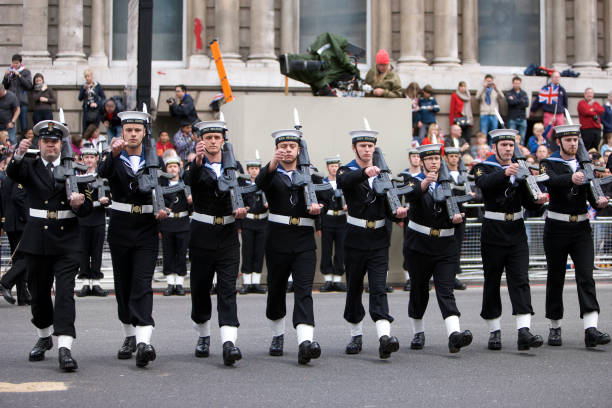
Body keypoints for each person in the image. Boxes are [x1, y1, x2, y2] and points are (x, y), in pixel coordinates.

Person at [6, 118, 93, 372]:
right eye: (46, 141)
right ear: (40, 144)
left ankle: (65, 347)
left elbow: (87, 207)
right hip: (38, 241)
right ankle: (44, 336)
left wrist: (80, 204)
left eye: (55, 142)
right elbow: (12, 174)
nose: (50, 146)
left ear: (61, 144)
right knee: (39, 293)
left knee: (65, 293)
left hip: (67, 241)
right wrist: (18, 153)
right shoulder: (29, 166)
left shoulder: (74, 169)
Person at [97, 109, 168, 368]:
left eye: (138, 130)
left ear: (144, 132)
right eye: (129, 130)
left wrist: (164, 207)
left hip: (146, 227)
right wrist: (112, 154)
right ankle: (129, 334)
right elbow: (102, 173)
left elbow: (163, 190)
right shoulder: (114, 155)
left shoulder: (154, 159)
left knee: (142, 283)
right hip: (121, 226)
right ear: (122, 132)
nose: (133, 134)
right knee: (124, 284)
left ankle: (144, 341)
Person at [255, 128, 326, 365]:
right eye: (282, 146)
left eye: (291, 146)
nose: (287, 150)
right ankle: (277, 335)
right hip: (278, 239)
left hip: (304, 240)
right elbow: (260, 182)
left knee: (304, 290)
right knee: (276, 289)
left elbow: (327, 197)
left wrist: (318, 208)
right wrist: (272, 162)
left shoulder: (311, 175)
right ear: (277, 149)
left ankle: (305, 342)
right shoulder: (272, 173)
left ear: (298, 149)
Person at [473, 128, 548, 351]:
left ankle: (523, 331)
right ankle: (494, 331)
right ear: (494, 147)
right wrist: (506, 173)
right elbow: (483, 184)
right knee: (492, 280)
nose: (508, 149)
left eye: (511, 145)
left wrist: (539, 200)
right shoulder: (483, 166)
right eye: (503, 145)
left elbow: (528, 201)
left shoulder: (520, 167)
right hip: (493, 230)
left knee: (520, 279)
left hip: (516, 229)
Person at [337, 126, 407, 359]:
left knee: (378, 288)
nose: (367, 150)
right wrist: (367, 172)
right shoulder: (346, 170)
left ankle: (384, 337)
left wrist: (397, 211)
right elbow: (344, 182)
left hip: (378, 239)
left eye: (370, 146)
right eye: (363, 146)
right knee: (354, 288)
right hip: (355, 238)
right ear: (355, 148)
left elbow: (387, 204)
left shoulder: (383, 173)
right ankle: (356, 334)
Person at [540, 124, 610, 348]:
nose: (572, 143)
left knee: (586, 276)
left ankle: (591, 328)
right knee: (556, 277)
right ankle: (555, 326)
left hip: (580, 227)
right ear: (559, 142)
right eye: (568, 140)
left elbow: (590, 193)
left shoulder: (585, 163)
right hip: (557, 227)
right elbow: (548, 182)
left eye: (575, 139)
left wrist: (599, 202)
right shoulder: (549, 162)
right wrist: (572, 178)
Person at [183, 119, 246, 366]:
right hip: (202, 234)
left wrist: (243, 209)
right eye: (207, 138)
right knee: (200, 288)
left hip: (228, 234)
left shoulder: (234, 166)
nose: (212, 141)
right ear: (202, 141)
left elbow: (242, 192)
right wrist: (197, 162)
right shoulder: (196, 165)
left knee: (228, 290)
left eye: (216, 138)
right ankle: (203, 335)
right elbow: (191, 180)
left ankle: (229, 342)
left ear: (223, 140)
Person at [403, 144, 472, 353]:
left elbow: (460, 208)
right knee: (419, 289)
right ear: (422, 162)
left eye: (436, 159)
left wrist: (459, 218)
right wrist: (425, 183)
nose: (434, 162)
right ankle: (418, 332)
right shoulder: (413, 181)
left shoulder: (449, 184)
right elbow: (411, 195)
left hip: (445, 245)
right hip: (419, 245)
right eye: (429, 159)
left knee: (445, 289)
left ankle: (454, 335)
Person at [75, 144, 109, 297]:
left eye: (91, 157)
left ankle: (96, 282)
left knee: (96, 251)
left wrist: (106, 200)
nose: (89, 160)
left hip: (98, 218)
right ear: (82, 159)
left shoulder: (102, 177)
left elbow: (111, 196)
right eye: (86, 157)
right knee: (83, 251)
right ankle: (85, 283)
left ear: (97, 159)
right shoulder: (77, 177)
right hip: (82, 219)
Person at [0, 151, 30, 306]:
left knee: (18, 259)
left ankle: (23, 295)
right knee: (28, 257)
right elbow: (18, 198)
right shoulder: (19, 176)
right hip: (20, 223)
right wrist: (28, 218)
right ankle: (5, 282)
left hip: (11, 223)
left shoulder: (7, 177)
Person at [160, 156, 191, 297]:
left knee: (181, 254)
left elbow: (192, 207)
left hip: (182, 222)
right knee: (168, 254)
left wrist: (191, 201)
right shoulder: (162, 186)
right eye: (170, 167)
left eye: (175, 166)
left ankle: (179, 283)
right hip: (168, 223)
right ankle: (170, 283)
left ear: (180, 168)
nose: (173, 169)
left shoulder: (185, 185)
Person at [239, 158, 268, 295]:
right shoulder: (244, 187)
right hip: (248, 222)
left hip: (262, 222)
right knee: (247, 252)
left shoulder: (264, 185)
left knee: (259, 252)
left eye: (256, 169)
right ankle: (247, 282)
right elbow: (239, 204)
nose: (254, 171)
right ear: (248, 170)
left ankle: (256, 282)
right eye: (251, 169)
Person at [444, 146, 471, 290]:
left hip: (461, 213)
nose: (454, 159)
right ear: (446, 158)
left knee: (457, 245)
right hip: (446, 214)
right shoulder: (443, 174)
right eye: (451, 156)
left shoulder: (463, 174)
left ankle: (454, 275)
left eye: (456, 156)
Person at [319, 156, 347, 292]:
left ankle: (337, 280)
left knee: (340, 251)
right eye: (331, 166)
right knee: (326, 250)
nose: (334, 169)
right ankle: (328, 280)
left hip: (341, 220)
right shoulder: (322, 183)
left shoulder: (344, 182)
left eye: (336, 166)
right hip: (327, 220)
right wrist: (318, 226)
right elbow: (318, 204)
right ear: (327, 168)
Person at [400, 148, 422, 291]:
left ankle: (422, 278)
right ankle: (409, 278)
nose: (416, 159)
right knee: (408, 246)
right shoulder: (404, 176)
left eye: (418, 156)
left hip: (423, 214)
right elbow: (397, 195)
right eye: (413, 156)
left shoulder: (425, 175)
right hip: (408, 214)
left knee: (424, 246)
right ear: (409, 159)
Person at [2, 54, 32, 139]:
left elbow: (29, 85)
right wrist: (5, 76)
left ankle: (24, 142)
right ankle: (11, 143)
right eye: (13, 63)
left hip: (22, 102)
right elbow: (4, 87)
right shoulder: (10, 72)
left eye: (16, 63)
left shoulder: (26, 71)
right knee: (10, 124)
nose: (14, 65)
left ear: (20, 63)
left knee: (23, 125)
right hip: (10, 103)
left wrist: (19, 75)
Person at [476, 74, 504, 140]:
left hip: (494, 114)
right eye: (487, 81)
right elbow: (477, 97)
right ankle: (484, 148)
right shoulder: (482, 90)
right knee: (483, 133)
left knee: (494, 134)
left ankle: (492, 148)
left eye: (490, 81)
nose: (489, 83)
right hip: (484, 114)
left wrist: (496, 88)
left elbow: (502, 96)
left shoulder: (495, 90)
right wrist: (483, 87)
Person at [78, 69, 105, 133]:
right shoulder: (83, 86)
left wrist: (97, 104)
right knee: (85, 130)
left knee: (94, 130)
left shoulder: (97, 86)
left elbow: (103, 98)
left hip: (95, 111)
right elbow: (80, 98)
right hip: (86, 110)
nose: (87, 78)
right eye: (86, 77)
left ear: (92, 76)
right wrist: (84, 90)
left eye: (88, 76)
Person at [506, 76, 530, 144]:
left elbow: (526, 104)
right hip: (512, 118)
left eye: (518, 83)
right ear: (513, 83)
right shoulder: (509, 93)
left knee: (522, 138)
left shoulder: (524, 93)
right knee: (511, 138)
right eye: (515, 83)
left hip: (522, 118)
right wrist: (520, 101)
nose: (517, 85)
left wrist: (515, 99)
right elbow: (510, 102)